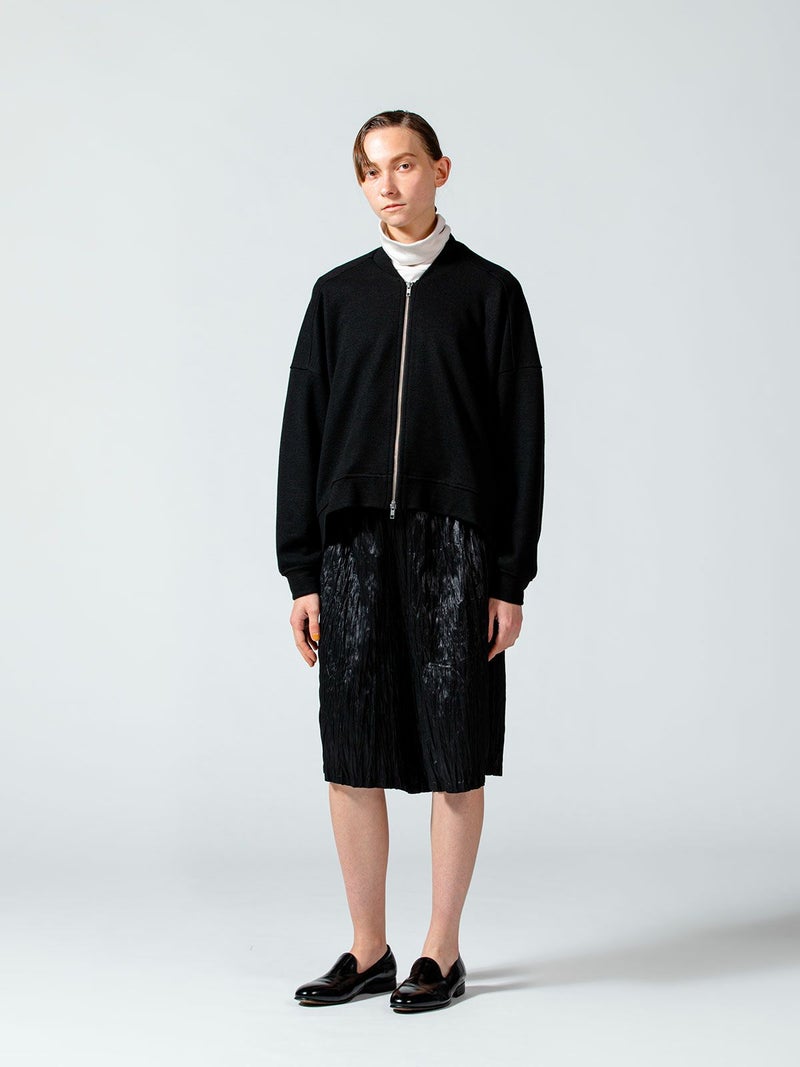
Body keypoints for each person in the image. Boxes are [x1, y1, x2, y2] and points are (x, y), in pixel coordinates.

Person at [276, 109, 545, 1013]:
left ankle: (441, 948)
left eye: (402, 165)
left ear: (440, 170)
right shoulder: (337, 296)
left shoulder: (490, 293)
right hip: (351, 544)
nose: (386, 184)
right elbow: (302, 435)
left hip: (455, 545)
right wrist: (302, 571)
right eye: (369, 170)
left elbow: (521, 441)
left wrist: (508, 575)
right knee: (351, 747)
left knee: (455, 745)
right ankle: (368, 949)